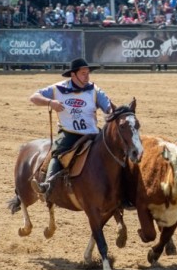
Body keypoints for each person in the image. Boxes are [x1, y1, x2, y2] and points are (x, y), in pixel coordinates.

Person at [30, 58, 114, 199]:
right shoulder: (58, 89)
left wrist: (112, 111)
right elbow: (34, 97)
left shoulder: (94, 90)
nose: (87, 76)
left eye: (88, 73)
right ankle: (48, 185)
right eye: (83, 73)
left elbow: (108, 107)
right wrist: (50, 102)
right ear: (73, 75)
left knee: (115, 150)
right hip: (69, 133)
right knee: (57, 153)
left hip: (93, 133)